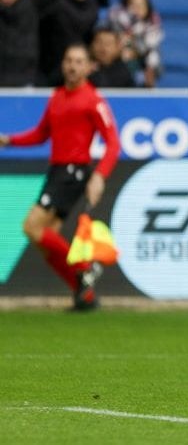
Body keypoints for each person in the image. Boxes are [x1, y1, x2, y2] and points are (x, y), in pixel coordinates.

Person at [0, 43, 120, 311]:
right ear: (63, 64)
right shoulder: (56, 97)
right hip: (57, 171)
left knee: (31, 227)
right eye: (68, 60)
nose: (72, 66)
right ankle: (83, 295)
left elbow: (113, 143)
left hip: (74, 172)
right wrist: (9, 140)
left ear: (89, 67)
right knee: (46, 241)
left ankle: (85, 267)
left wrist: (99, 176)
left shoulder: (93, 100)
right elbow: (42, 134)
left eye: (79, 61)